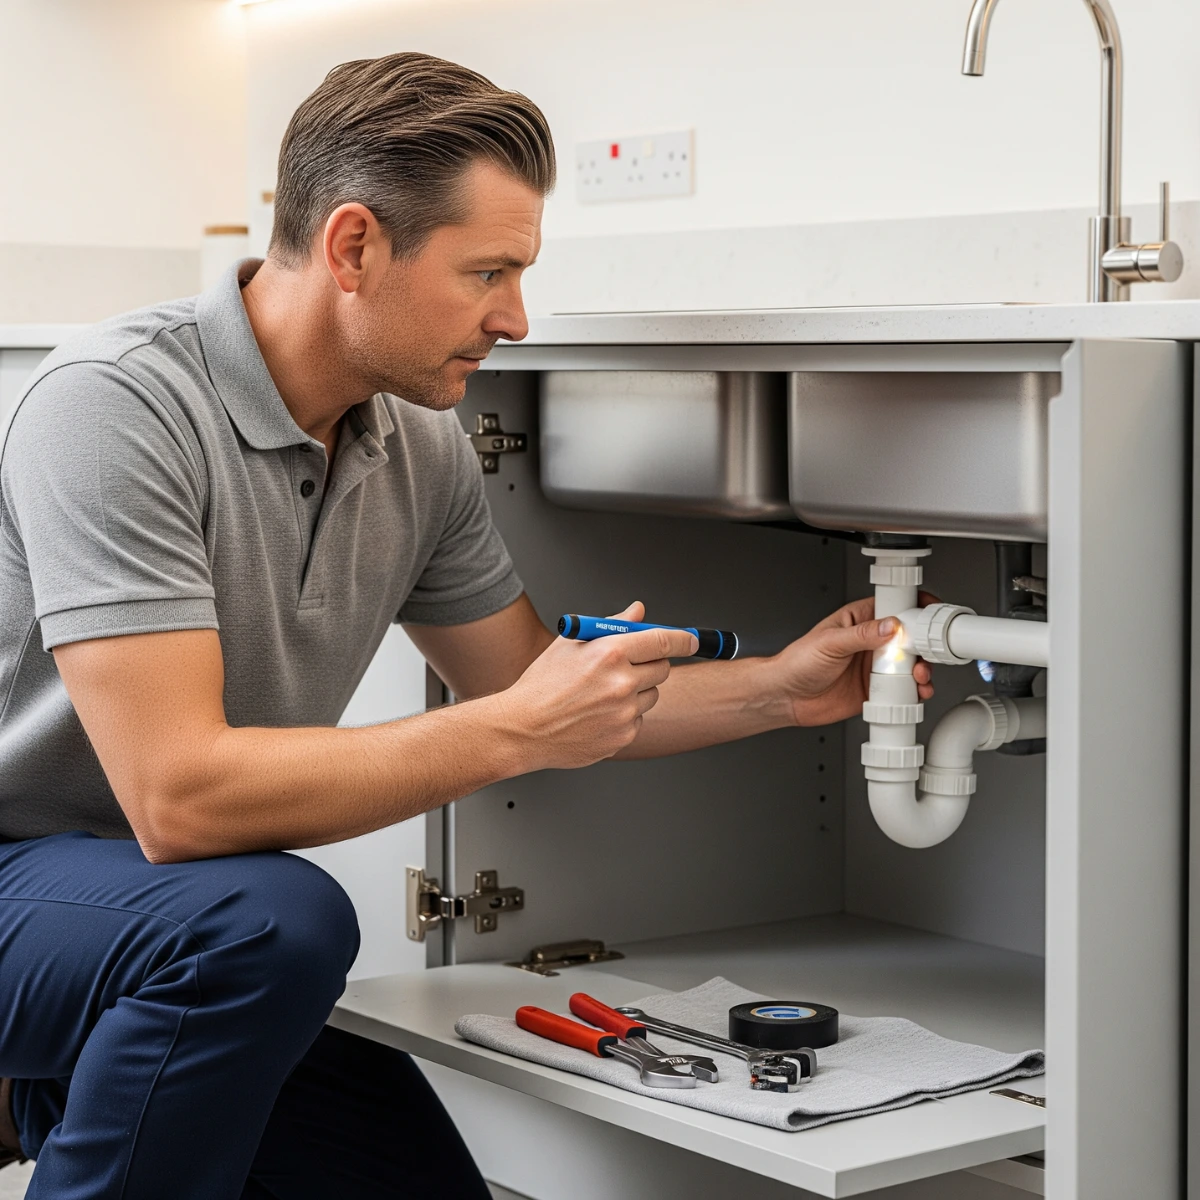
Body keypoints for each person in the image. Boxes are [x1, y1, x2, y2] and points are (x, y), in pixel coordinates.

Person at [0, 52, 933, 1199]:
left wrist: (785, 690)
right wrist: (511, 732)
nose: (517, 317)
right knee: (274, 922)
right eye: (486, 271)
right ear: (353, 248)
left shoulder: (418, 441)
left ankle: (76, 1078)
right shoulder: (117, 405)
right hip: (46, 883)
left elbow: (535, 680)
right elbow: (180, 801)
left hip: (169, 922)